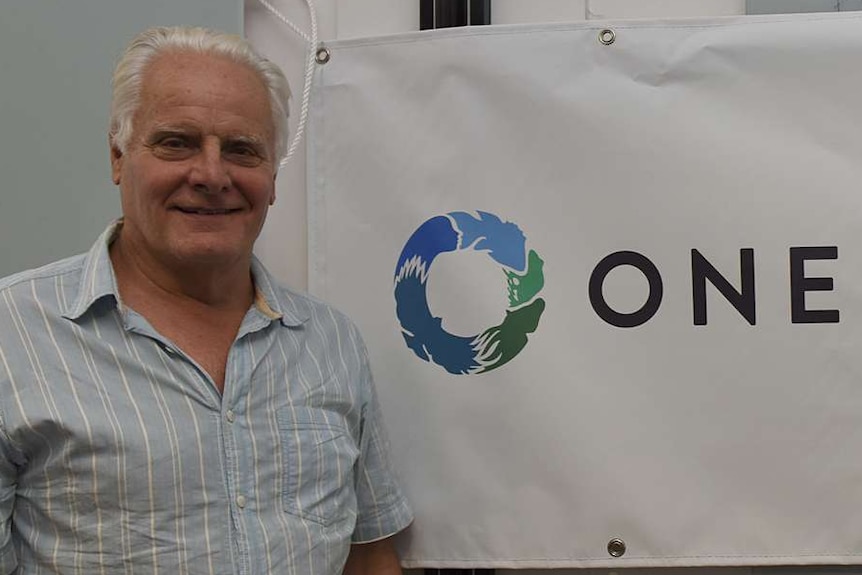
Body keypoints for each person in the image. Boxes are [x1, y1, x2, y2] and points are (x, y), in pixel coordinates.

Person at [0, 26, 412, 574]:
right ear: (119, 156)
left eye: (242, 150)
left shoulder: (330, 344)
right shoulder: (14, 336)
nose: (212, 175)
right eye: (177, 142)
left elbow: (369, 554)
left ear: (272, 174)